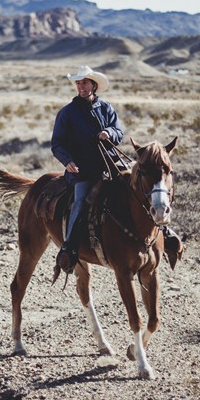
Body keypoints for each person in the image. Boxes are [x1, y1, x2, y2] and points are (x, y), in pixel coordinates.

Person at [51, 65, 124, 274]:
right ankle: (69, 248)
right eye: (78, 83)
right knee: (81, 201)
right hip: (81, 170)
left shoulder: (106, 108)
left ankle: (161, 232)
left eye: (84, 82)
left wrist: (110, 133)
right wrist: (67, 161)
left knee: (136, 187)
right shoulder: (67, 113)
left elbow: (119, 131)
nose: (81, 86)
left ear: (94, 85)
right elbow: (57, 144)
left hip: (107, 165)